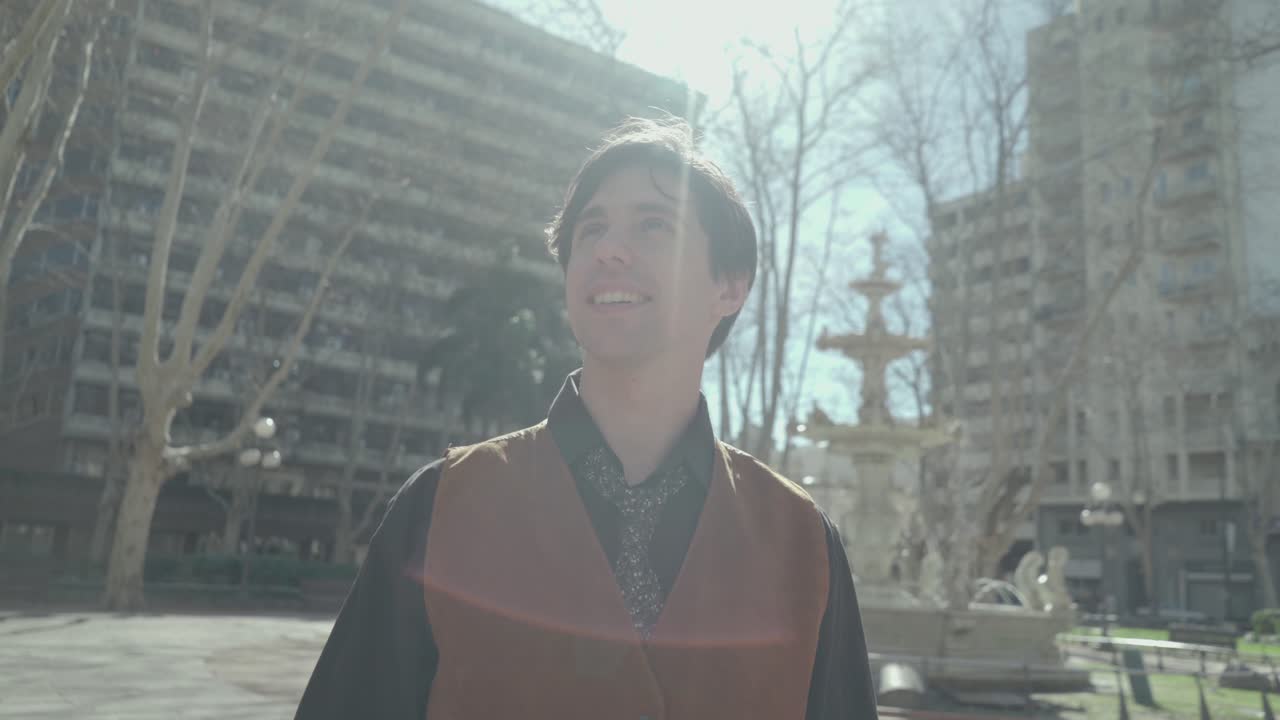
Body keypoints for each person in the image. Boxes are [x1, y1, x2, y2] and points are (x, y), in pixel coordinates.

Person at [295, 117, 878, 719]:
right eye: (590, 230)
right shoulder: (441, 503)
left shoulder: (804, 543)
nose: (607, 248)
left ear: (729, 286)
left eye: (655, 225)